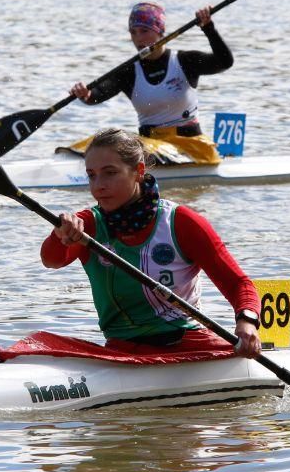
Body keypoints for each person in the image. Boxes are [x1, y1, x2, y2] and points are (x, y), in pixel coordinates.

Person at [40, 128, 261, 358]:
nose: (98, 186)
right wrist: (59, 235)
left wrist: (247, 322)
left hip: (187, 345)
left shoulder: (181, 223)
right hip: (122, 349)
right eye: (91, 175)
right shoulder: (87, 225)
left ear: (138, 171)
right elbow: (51, 260)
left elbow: (239, 284)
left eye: (110, 173)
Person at [65, 2, 234, 165]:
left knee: (115, 147)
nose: (138, 39)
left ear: (160, 32)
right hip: (150, 146)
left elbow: (225, 62)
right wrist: (85, 94)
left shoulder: (185, 61)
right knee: (99, 142)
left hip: (190, 147)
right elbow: (97, 94)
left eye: (144, 31)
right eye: (133, 32)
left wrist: (208, 27)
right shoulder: (129, 71)